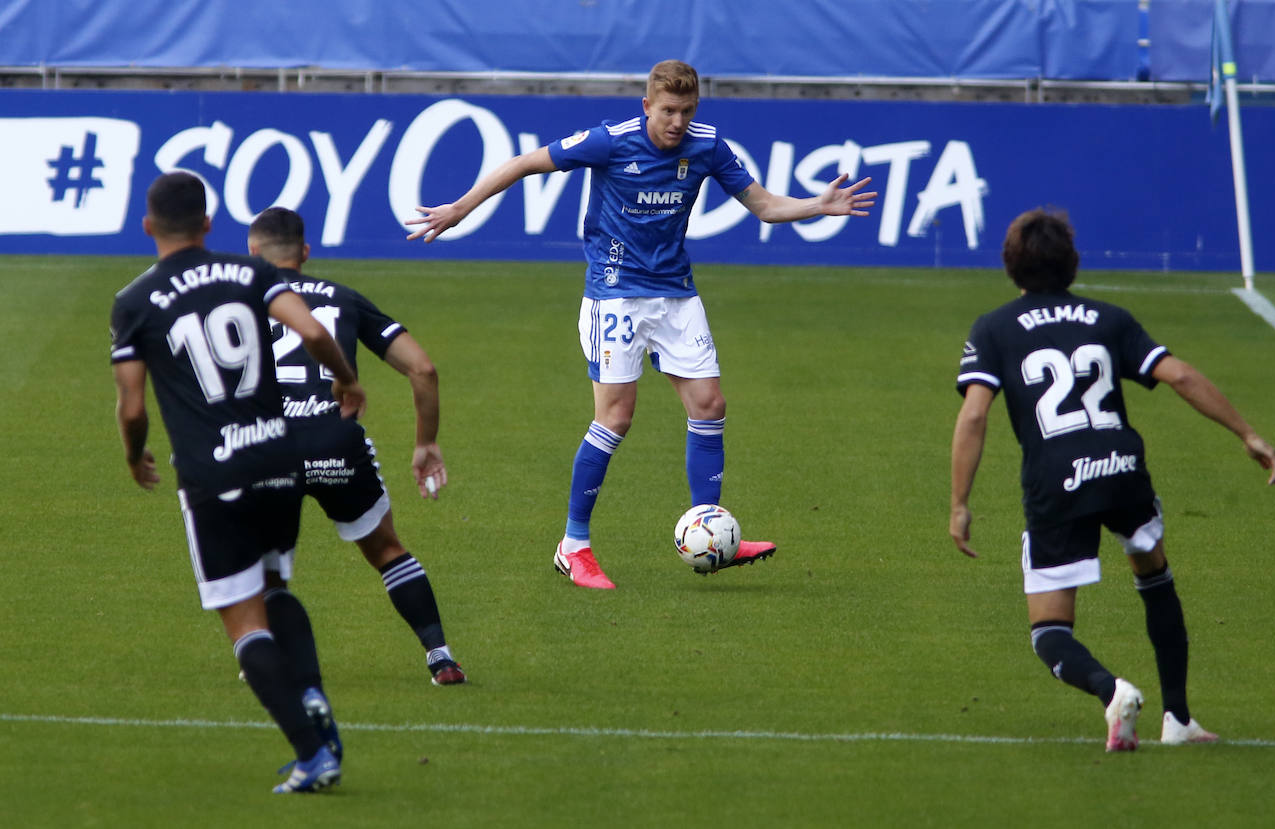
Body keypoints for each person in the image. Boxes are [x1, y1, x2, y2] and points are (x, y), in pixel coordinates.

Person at [406, 59, 878, 589]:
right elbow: (523, 163)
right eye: (669, 110)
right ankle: (573, 545)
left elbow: (764, 206)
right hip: (615, 296)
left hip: (675, 294)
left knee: (709, 405)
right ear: (647, 106)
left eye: (687, 110)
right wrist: (461, 208)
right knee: (616, 418)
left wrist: (818, 204)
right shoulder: (611, 141)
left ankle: (710, 527)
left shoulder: (708, 146)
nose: (677, 122)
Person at [948, 207, 1275, 751]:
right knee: (1154, 575)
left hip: (1055, 481)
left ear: (1010, 266)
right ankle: (1178, 719)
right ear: (1073, 264)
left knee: (1050, 632)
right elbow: (1180, 375)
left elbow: (976, 414)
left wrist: (960, 502)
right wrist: (1247, 433)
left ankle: (1112, 692)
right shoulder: (1109, 319)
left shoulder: (993, 329)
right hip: (1123, 470)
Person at [111, 171, 365, 792]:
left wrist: (134, 453)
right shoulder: (250, 273)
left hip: (213, 474)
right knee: (276, 586)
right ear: (207, 225)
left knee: (243, 619)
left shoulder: (135, 301)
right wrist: (345, 379)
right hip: (278, 458)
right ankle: (312, 696)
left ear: (147, 227)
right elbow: (311, 332)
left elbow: (133, 406)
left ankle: (313, 755)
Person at [247, 206, 465, 686]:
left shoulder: (235, 302)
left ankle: (268, 656)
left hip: (265, 445)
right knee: (386, 548)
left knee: (266, 558)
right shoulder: (342, 298)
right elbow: (423, 369)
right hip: (334, 439)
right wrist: (425, 442)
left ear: (252, 253)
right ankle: (440, 656)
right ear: (304, 252)